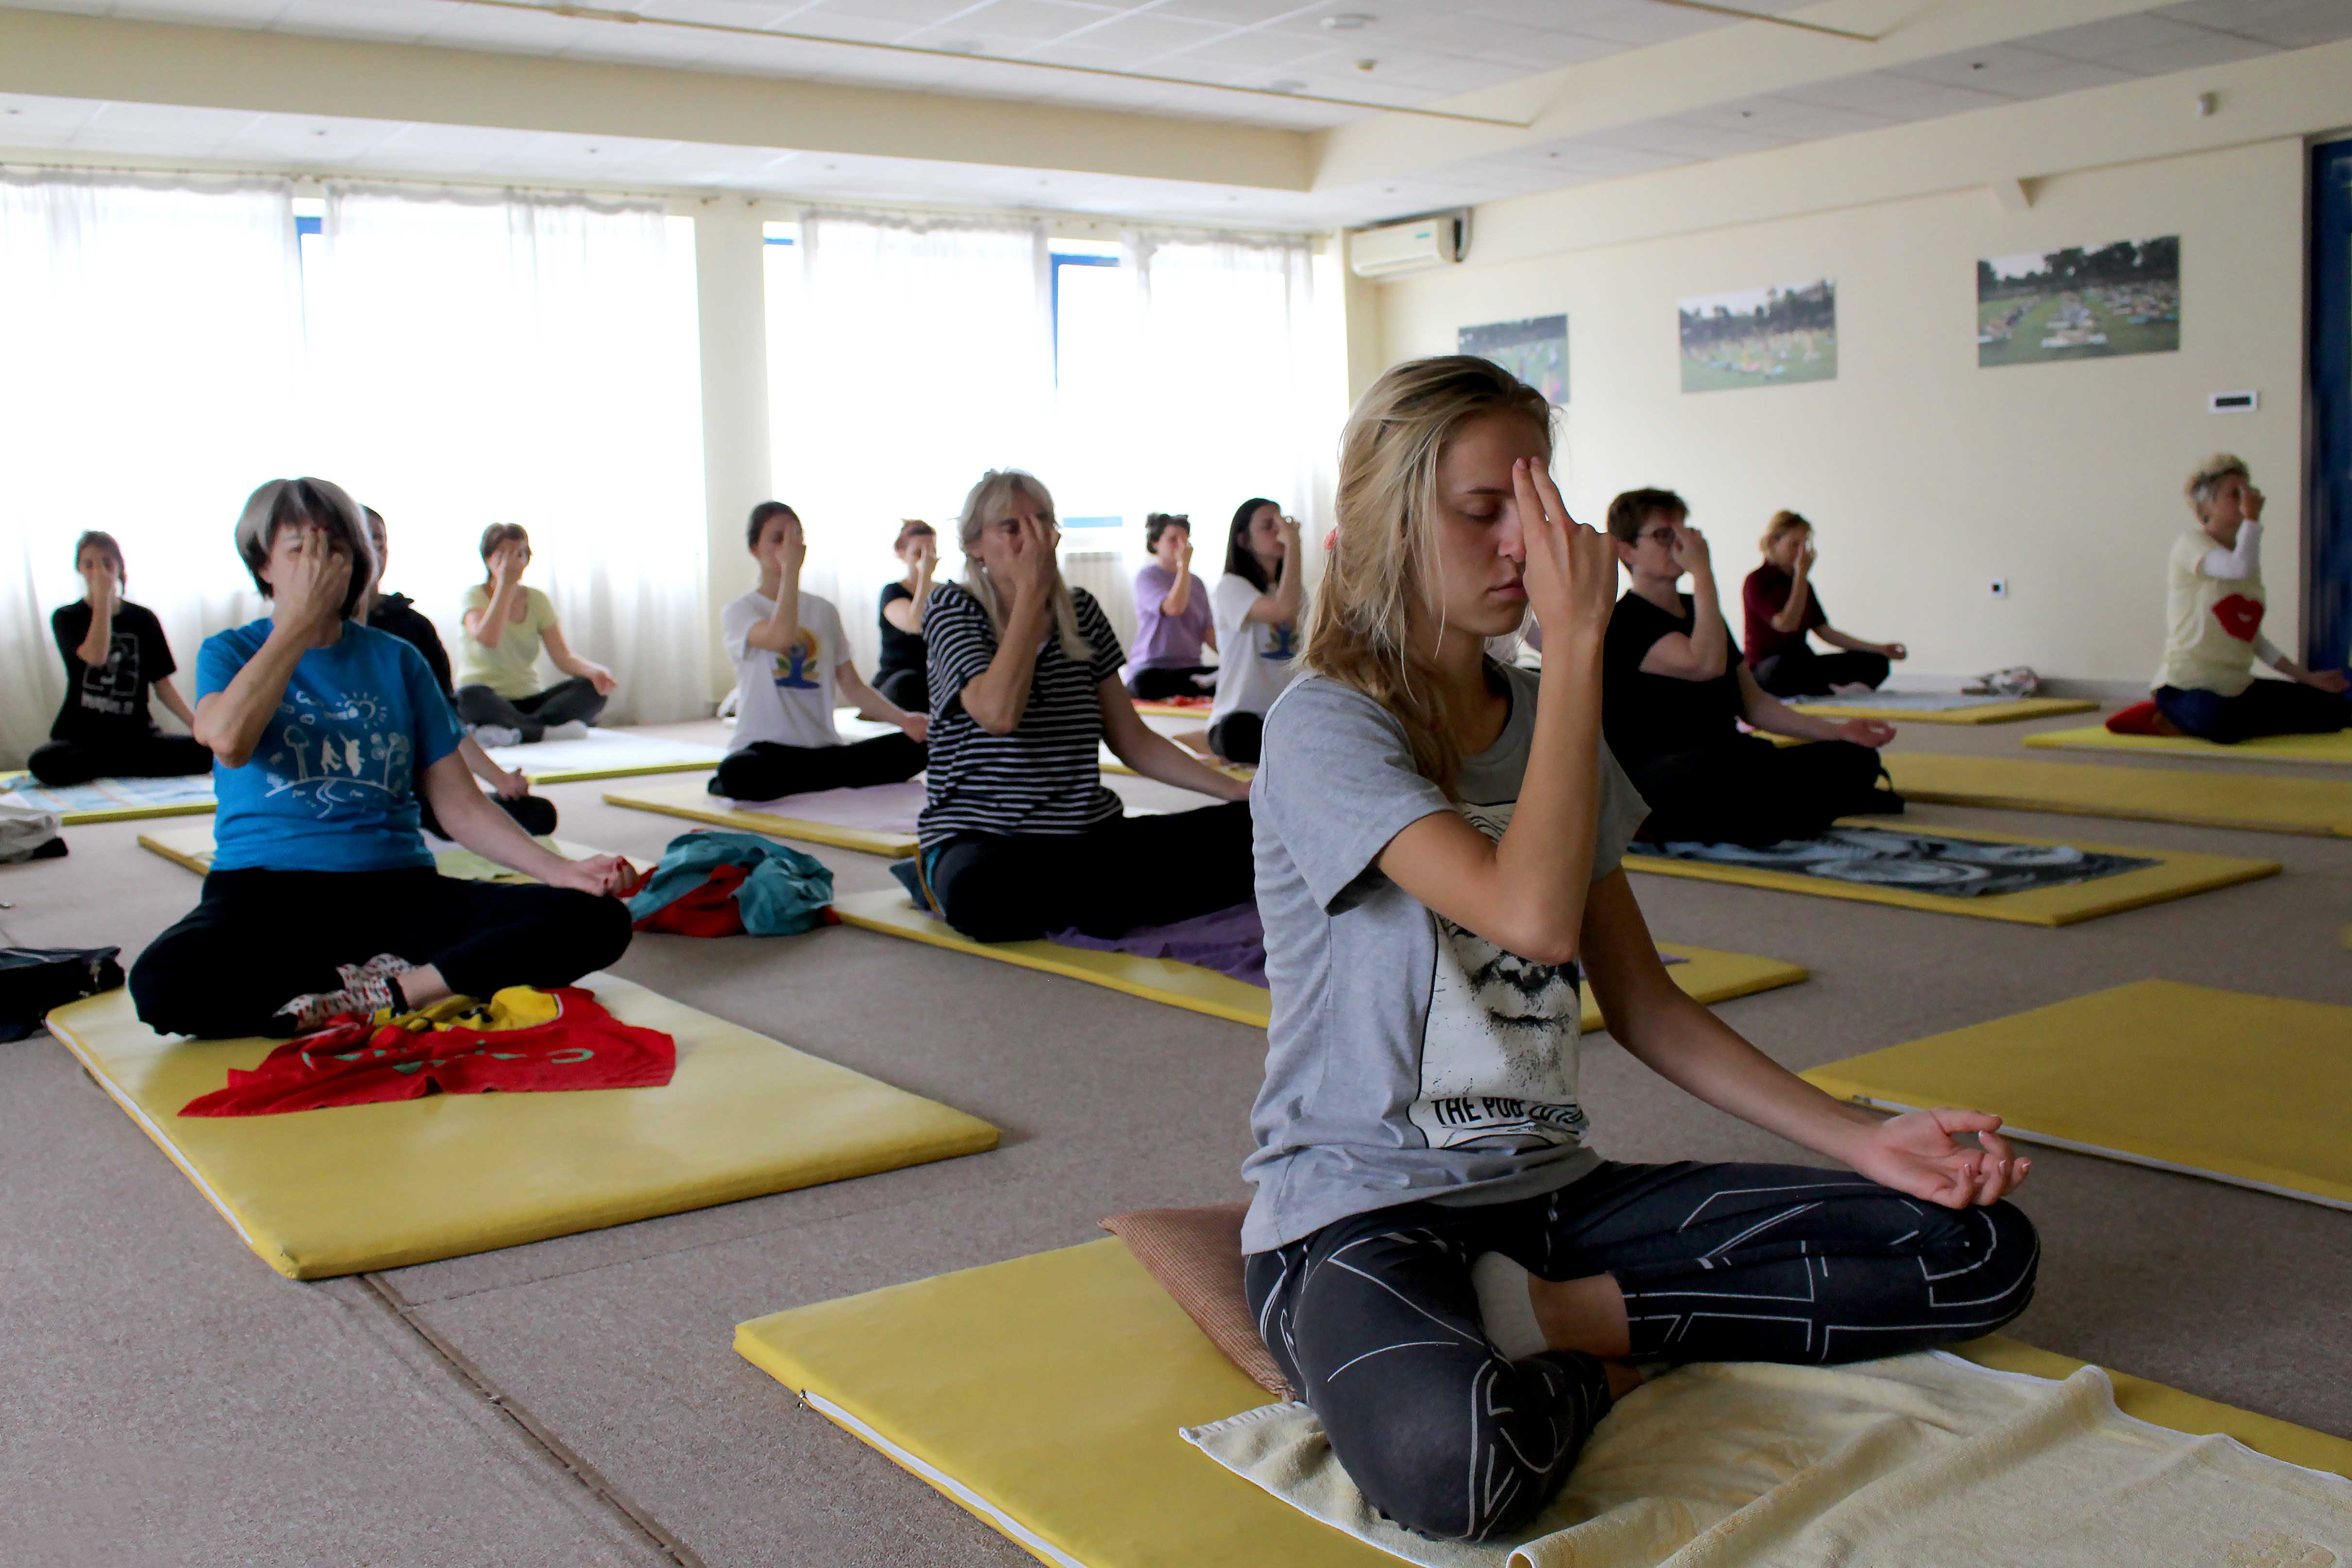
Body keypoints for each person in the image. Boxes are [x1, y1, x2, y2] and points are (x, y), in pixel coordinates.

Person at [1242, 356, 2037, 1546]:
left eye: (1538, 504)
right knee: (1458, 1472)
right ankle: (1602, 1358)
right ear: (1387, 521)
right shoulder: (1325, 725)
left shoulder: (1540, 716)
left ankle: (1557, 1320)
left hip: (1552, 1198)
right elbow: (1530, 918)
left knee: (1978, 1248)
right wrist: (1576, 651)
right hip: (1363, 1208)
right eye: (1483, 509)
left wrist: (1863, 1138)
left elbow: (1647, 1005)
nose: (1525, 543)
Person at [128, 478, 635, 1041]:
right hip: (265, 892)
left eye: (335, 549)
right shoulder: (229, 652)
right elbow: (228, 740)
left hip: (397, 889)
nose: (320, 566)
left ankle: (395, 990)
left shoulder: (399, 660)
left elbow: (461, 807)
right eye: (300, 550)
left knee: (597, 920)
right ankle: (363, 979)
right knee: (163, 983)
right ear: (263, 564)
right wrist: (298, 625)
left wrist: (559, 871)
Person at [914, 468, 1254, 942]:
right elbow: (998, 715)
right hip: (987, 842)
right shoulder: (952, 607)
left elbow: (1133, 740)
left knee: (1256, 829)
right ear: (974, 545)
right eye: (1012, 528)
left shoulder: (1082, 611)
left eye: (1042, 522)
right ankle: (1119, 899)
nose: (1034, 540)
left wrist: (1233, 790)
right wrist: (1031, 594)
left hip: (1085, 838)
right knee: (981, 893)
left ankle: (1108, 899)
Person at [1604, 489, 1901, 845]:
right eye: (1664, 535)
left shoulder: (1701, 611)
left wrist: (1839, 732)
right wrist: (1704, 573)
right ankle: (1777, 812)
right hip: (1668, 772)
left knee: (1856, 760)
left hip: (1731, 759)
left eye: (1686, 532)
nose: (1681, 545)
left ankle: (1774, 812)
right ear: (1627, 550)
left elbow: (1755, 704)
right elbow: (1705, 664)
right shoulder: (1624, 621)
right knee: (1721, 779)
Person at [358, 507, 556, 840]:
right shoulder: (308, 634)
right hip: (339, 790)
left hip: (409, 783)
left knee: (538, 815)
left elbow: (443, 720)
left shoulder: (412, 627)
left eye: (380, 540)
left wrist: (499, 779)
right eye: (362, 540)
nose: (373, 550)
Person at [714, 501, 929, 801]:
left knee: (922, 746)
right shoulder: (740, 611)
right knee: (737, 772)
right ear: (754, 549)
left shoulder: (824, 611)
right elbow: (782, 637)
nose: (789, 547)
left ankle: (810, 780)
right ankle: (825, 780)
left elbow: (852, 686)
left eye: (795, 539)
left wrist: (905, 720)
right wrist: (791, 572)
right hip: (766, 749)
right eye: (778, 539)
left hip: (824, 750)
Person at [2151, 455, 2350, 742]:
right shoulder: (2191, 544)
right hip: (2185, 687)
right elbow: (2237, 568)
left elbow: (2251, 638)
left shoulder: (2247, 560)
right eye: (2235, 494)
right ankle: (2172, 717)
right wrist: (2253, 520)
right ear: (2206, 507)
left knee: (2336, 711)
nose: (2247, 500)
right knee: (2221, 722)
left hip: (2237, 687)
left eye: (2249, 492)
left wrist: (2306, 677)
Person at [30, 532, 212, 787]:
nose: (99, 571)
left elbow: (163, 686)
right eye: (89, 564)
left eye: (107, 563)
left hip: (136, 737)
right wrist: (103, 601)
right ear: (79, 569)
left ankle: (112, 766)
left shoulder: (144, 619)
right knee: (44, 762)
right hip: (80, 739)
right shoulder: (66, 617)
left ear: (119, 567)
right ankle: (124, 766)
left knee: (206, 755)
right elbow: (96, 657)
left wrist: (199, 728)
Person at [453, 524, 615, 743]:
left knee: (591, 690)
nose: (513, 562)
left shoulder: (538, 600)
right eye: (504, 555)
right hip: (488, 697)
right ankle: (544, 732)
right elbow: (488, 639)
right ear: (488, 559)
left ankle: (518, 730)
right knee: (467, 698)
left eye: (519, 554)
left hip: (530, 699)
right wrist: (505, 586)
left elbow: (563, 657)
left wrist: (596, 672)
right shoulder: (473, 596)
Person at [1741, 511, 1907, 697]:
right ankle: (1830, 689)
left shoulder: (1804, 586)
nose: (1802, 553)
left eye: (1805, 545)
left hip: (1804, 664)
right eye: (1794, 545)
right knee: (1782, 667)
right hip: (1770, 667)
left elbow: (1825, 632)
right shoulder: (1756, 581)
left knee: (1877, 661)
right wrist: (1801, 576)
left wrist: (1880, 648)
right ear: (1774, 542)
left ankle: (1830, 689)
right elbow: (1786, 624)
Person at [1207, 497, 1305, 765]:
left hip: (1284, 715)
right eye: (1268, 526)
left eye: (1281, 522)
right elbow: (1282, 611)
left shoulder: (1296, 593)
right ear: (1244, 541)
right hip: (1240, 719)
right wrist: (1295, 544)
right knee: (1237, 733)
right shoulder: (1230, 587)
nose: (1280, 531)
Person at [1126, 512, 1219, 700]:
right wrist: (1184, 566)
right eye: (1173, 539)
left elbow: (1209, 633)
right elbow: (1174, 608)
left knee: (1229, 678)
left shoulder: (1197, 584)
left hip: (1190, 669)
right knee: (1145, 683)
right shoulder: (1147, 577)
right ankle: (1190, 688)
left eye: (1185, 540)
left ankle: (1192, 687)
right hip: (1153, 669)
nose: (1182, 546)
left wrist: (1237, 661)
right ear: (1155, 543)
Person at [875, 519, 937, 714]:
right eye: (918, 553)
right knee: (910, 684)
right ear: (902, 554)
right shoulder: (892, 592)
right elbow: (916, 623)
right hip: (900, 681)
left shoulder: (945, 592)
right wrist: (925, 576)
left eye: (932, 552)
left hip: (933, 679)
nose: (926, 559)